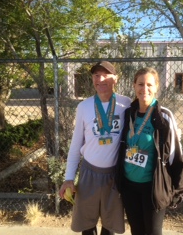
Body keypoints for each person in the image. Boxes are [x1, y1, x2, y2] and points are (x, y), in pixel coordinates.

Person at [59, 61, 131, 235]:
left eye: (106, 74)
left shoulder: (126, 104)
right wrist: (69, 178)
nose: (100, 79)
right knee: (87, 226)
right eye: (96, 75)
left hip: (114, 175)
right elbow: (76, 145)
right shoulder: (84, 106)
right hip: (88, 174)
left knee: (110, 226)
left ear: (116, 78)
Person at [116, 67, 183, 235]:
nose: (144, 89)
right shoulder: (128, 114)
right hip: (129, 187)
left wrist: (177, 191)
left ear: (156, 87)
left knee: (153, 232)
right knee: (137, 231)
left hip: (153, 188)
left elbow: (175, 157)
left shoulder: (164, 116)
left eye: (149, 84)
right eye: (140, 84)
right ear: (134, 86)